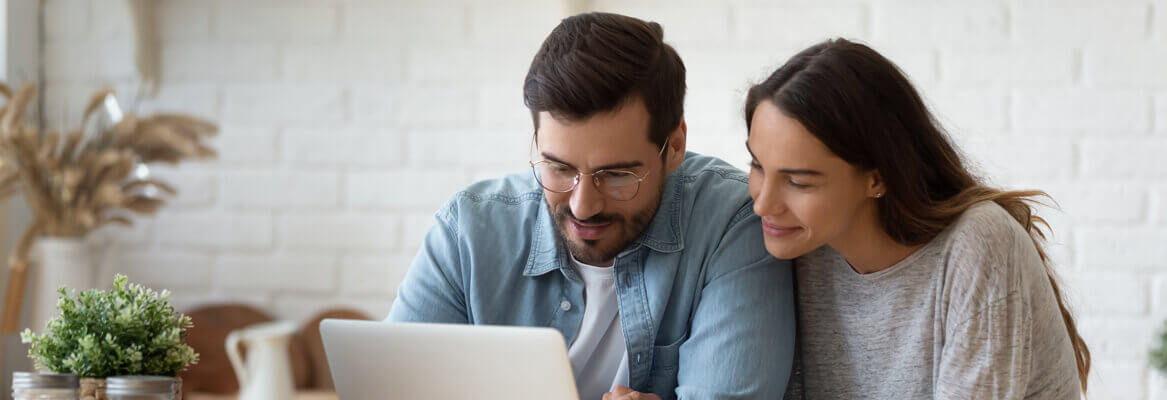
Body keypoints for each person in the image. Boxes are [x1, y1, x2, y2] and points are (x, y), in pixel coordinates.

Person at [387, 13, 796, 400]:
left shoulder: (732, 221)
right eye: (558, 167)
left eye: (617, 175)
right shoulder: (467, 231)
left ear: (673, 147)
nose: (583, 206)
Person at [743, 38, 1090, 399]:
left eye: (798, 181)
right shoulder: (804, 245)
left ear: (877, 178)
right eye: (757, 165)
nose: (763, 204)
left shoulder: (978, 245)